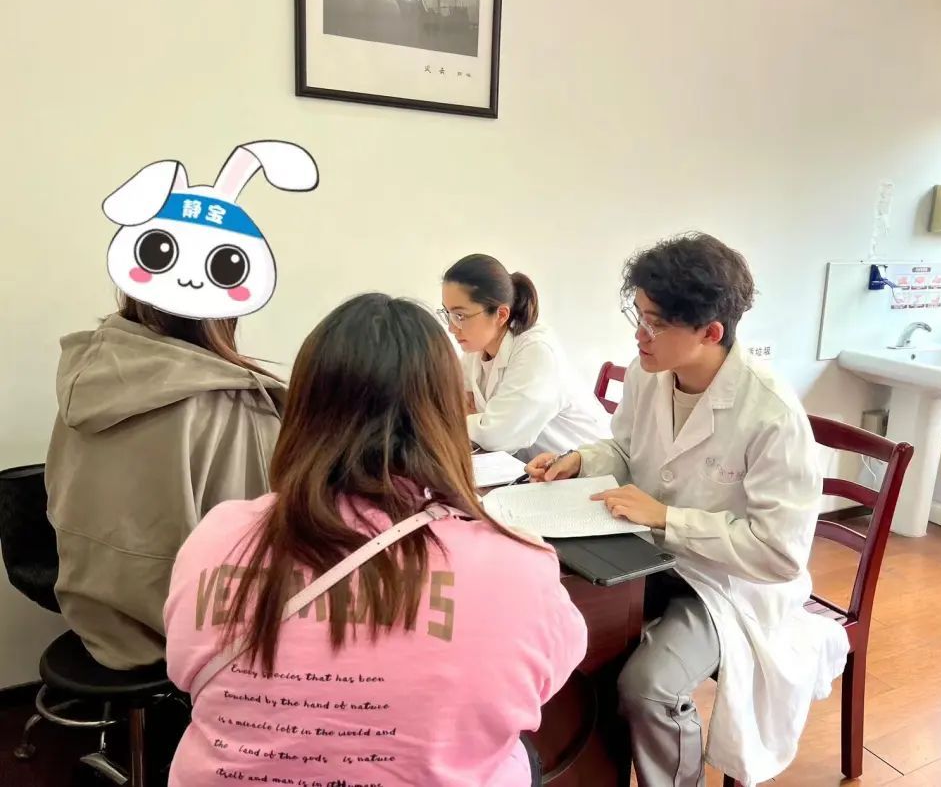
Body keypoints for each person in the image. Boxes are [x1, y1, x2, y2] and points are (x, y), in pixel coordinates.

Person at [164, 293, 587, 787]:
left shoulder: (217, 538)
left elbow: (185, 672)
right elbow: (545, 681)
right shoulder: (517, 566)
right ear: (443, 415)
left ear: (303, 409)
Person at [526, 233, 849, 786]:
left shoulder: (771, 414)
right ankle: (592, 771)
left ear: (710, 332)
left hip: (731, 585)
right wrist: (581, 459)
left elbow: (779, 554)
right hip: (650, 557)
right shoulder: (649, 375)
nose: (638, 334)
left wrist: (666, 517)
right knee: (570, 627)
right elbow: (625, 450)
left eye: (654, 323)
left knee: (648, 687)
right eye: (638, 315)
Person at [45, 294, 285, 670]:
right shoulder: (236, 404)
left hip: (92, 619)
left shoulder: (89, 377)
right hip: (192, 642)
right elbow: (256, 560)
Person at [440, 254, 609, 458]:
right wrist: (480, 421)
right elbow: (451, 403)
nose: (451, 328)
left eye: (460, 316)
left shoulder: (537, 350)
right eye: (448, 314)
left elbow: (498, 437)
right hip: (528, 467)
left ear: (501, 315)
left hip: (586, 469)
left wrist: (479, 421)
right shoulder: (476, 348)